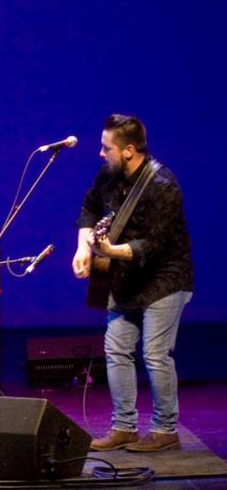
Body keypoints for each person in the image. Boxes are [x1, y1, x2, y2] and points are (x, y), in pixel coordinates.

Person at [73, 114, 193, 453]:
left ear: (128, 150)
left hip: (164, 280)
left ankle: (165, 430)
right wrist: (84, 247)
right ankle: (124, 427)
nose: (100, 153)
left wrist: (109, 250)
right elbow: (89, 208)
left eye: (105, 147)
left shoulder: (162, 185)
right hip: (125, 280)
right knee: (116, 350)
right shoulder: (109, 175)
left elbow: (152, 246)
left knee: (155, 354)